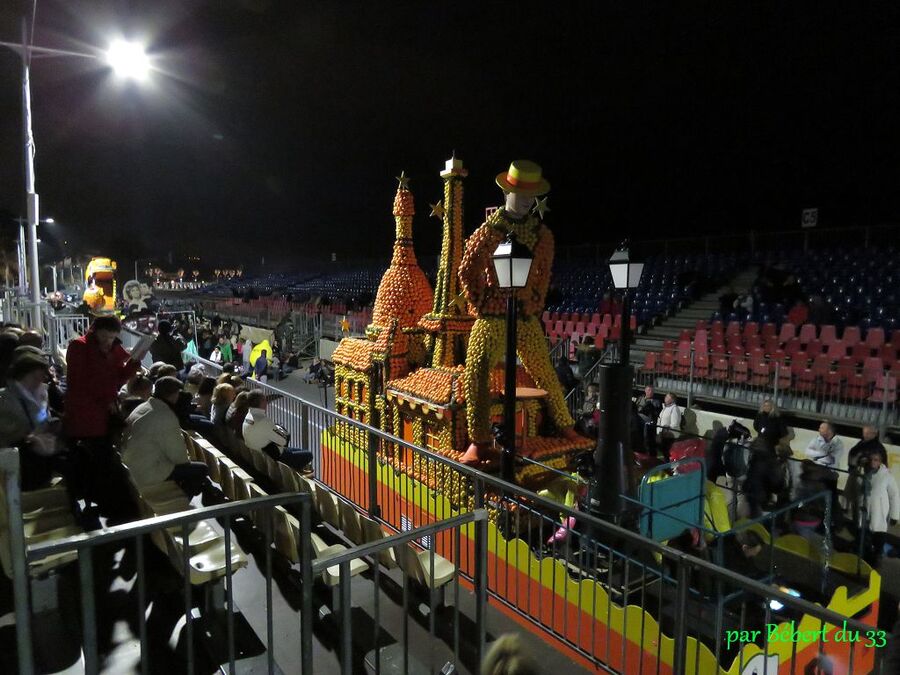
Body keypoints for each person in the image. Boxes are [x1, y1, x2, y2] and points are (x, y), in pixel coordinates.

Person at [458, 160, 577, 465]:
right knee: (477, 369)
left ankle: (566, 427)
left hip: (524, 315)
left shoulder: (541, 234)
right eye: (522, 195)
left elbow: (543, 274)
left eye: (531, 196)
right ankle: (480, 440)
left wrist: (533, 305)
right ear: (506, 192)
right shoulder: (489, 231)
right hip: (494, 313)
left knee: (543, 369)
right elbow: (467, 269)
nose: (527, 202)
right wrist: (482, 301)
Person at [64, 316, 144, 520]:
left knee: (104, 462)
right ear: (95, 330)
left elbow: (117, 379)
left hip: (104, 414)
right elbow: (79, 383)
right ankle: (104, 508)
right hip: (86, 416)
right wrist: (106, 397)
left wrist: (133, 365)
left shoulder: (112, 350)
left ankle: (107, 506)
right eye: (105, 336)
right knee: (98, 462)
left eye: (112, 338)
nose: (108, 341)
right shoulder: (79, 347)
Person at [121, 376, 209, 497]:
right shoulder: (165, 415)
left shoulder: (142, 407)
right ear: (174, 395)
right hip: (148, 472)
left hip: (133, 466)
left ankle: (210, 496)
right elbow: (180, 458)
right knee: (201, 469)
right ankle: (180, 507)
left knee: (196, 474)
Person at [0, 347, 59, 490]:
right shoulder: (5, 398)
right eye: (34, 377)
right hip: (19, 458)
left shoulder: (41, 393)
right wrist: (27, 436)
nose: (39, 381)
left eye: (41, 377)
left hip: (42, 454)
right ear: (22, 374)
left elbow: (44, 419)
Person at [242, 391, 312, 471]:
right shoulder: (263, 421)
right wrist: (279, 429)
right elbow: (283, 441)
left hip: (259, 454)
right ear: (262, 403)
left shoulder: (248, 415)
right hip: (272, 456)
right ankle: (294, 473)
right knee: (309, 455)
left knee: (299, 451)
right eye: (265, 400)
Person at [861, 452, 900, 566]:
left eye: (876, 460)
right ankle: (866, 557)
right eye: (872, 459)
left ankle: (877, 557)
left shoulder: (887, 476)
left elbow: (894, 495)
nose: (873, 462)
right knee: (865, 535)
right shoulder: (864, 473)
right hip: (865, 510)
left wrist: (894, 515)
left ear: (880, 462)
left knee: (878, 535)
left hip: (879, 511)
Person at [656, 392, 682, 458]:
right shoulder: (665, 408)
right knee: (663, 452)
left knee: (668, 453)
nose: (665, 398)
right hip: (662, 434)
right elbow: (660, 420)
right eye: (665, 397)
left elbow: (675, 423)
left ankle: (668, 467)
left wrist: (666, 430)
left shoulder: (674, 409)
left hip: (670, 436)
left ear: (672, 400)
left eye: (667, 397)